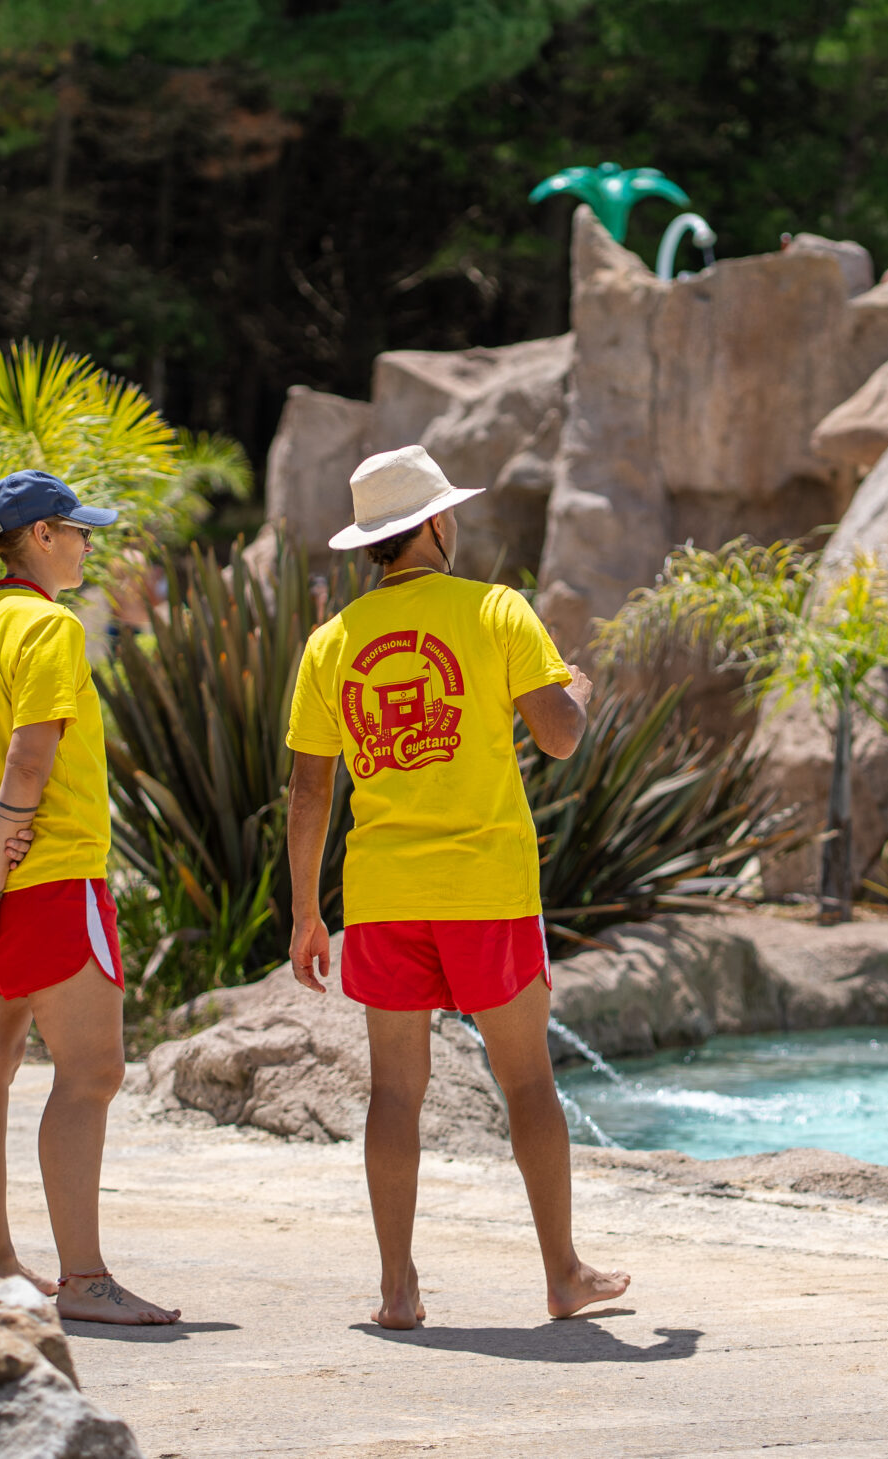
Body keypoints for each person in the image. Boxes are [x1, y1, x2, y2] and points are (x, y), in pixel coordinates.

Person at [285, 443, 630, 1331]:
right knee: (528, 1083)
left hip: (384, 894)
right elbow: (560, 737)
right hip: (487, 890)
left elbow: (310, 790)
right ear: (436, 523)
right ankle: (563, 1275)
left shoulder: (332, 642)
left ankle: (397, 1289)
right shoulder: (497, 609)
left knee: (395, 1092)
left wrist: (306, 912)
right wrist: (576, 688)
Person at [0, 468, 180, 1327]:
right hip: (47, 882)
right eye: (78, 530)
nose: (88, 544)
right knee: (93, 1071)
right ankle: (86, 1279)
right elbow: (30, 762)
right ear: (40, 537)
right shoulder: (49, 627)